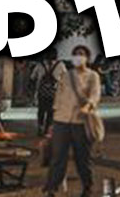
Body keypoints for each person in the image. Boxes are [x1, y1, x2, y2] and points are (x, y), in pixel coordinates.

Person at [44, 45, 102, 197]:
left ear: (87, 58)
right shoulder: (66, 75)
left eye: (81, 54)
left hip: (80, 121)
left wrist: (88, 106)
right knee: (58, 156)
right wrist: (52, 123)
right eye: (75, 54)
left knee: (82, 157)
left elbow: (95, 95)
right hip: (61, 120)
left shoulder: (93, 76)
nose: (78, 57)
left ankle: (87, 186)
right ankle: (51, 188)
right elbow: (58, 98)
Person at [32, 50, 64, 137]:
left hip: (42, 92)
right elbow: (65, 78)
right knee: (51, 111)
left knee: (41, 110)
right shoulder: (60, 65)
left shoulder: (40, 65)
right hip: (54, 93)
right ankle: (47, 129)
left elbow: (33, 77)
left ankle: (40, 127)